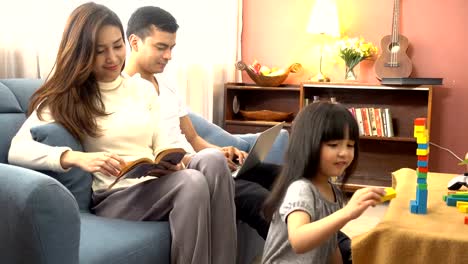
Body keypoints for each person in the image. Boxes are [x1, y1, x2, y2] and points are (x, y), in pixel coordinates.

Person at [7, 2, 236, 264]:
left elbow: (161, 141)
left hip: (154, 182)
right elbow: (17, 149)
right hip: (115, 195)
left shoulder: (142, 90)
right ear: (81, 53)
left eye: (117, 46)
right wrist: (74, 157)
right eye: (100, 51)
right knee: (191, 183)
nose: (113, 58)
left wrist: (170, 162)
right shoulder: (66, 98)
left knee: (213, 160)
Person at [123, 6, 281, 240]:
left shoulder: (167, 85)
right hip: (183, 174)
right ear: (135, 43)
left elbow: (193, 138)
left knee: (285, 175)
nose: (169, 56)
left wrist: (222, 152)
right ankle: (316, 251)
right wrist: (202, 160)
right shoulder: (122, 91)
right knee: (256, 197)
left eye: (172, 48)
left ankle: (337, 244)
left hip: (204, 163)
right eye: (161, 47)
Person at [261, 101, 386, 264]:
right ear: (308, 145)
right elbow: (298, 240)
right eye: (333, 145)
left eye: (350, 145)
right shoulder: (301, 188)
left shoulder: (334, 192)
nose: (344, 153)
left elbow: (330, 245)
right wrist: (347, 212)